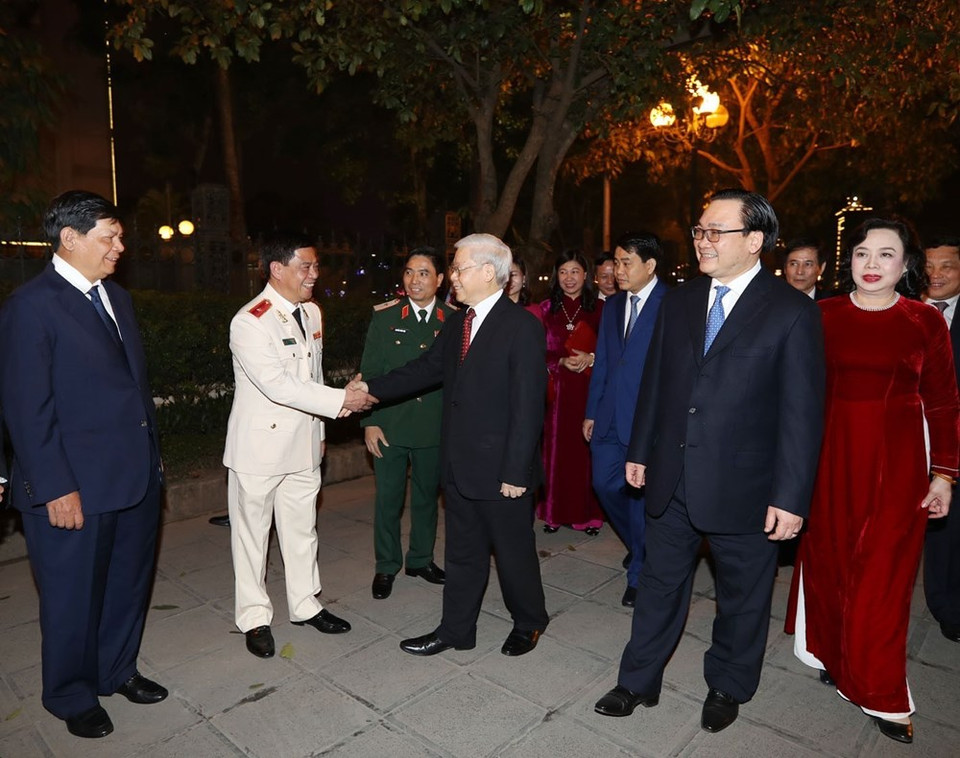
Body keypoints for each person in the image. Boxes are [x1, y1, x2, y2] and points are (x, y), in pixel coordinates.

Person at [594, 188, 825, 734]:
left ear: (755, 240)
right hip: (670, 475)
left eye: (715, 231)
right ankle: (638, 680)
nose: (703, 241)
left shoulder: (791, 311)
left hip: (746, 486)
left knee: (741, 598)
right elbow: (658, 382)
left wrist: (790, 498)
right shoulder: (679, 299)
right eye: (699, 230)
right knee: (657, 583)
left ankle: (728, 684)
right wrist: (640, 451)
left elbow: (802, 414)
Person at [0, 191, 166, 739]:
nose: (121, 247)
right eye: (109, 238)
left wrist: (153, 463)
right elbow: (27, 410)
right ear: (69, 239)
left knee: (126, 585)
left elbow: (133, 390)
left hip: (132, 477)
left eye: (119, 236)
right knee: (71, 598)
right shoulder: (31, 306)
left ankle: (116, 670)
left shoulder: (116, 298)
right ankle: (69, 693)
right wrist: (54, 488)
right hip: (72, 487)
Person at [787, 220, 959, 744]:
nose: (872, 263)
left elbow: (945, 401)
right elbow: (793, 395)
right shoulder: (820, 315)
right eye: (863, 252)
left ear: (905, 265)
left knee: (882, 583)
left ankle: (883, 693)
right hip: (828, 467)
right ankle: (833, 657)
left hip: (898, 473)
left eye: (886, 254)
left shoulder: (924, 321)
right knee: (831, 569)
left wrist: (945, 475)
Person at [351, 233, 549, 657]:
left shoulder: (522, 327)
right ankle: (456, 630)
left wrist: (516, 471)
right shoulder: (459, 321)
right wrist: (370, 390)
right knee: (462, 553)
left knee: (513, 555)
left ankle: (530, 620)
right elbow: (424, 369)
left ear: (486, 271)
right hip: (460, 464)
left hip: (502, 472)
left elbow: (529, 407)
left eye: (457, 269)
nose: (452, 277)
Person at [223, 232, 373, 659]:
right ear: (277, 269)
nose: (314, 274)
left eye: (315, 266)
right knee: (253, 538)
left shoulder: (312, 313)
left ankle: (306, 605)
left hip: (304, 444)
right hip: (259, 450)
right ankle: (254, 618)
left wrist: (321, 432)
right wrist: (342, 402)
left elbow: (312, 378)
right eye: (305, 266)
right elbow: (278, 386)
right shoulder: (250, 320)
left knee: (302, 531)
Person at [360, 247, 455, 599]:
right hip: (390, 424)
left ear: (440, 280)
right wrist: (370, 421)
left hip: (433, 424)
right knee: (388, 499)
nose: (415, 280)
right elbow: (370, 373)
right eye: (409, 273)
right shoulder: (385, 318)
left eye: (424, 273)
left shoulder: (454, 319)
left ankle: (421, 559)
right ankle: (386, 566)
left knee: (427, 498)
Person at [584, 233, 668, 607]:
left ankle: (639, 574)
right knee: (604, 486)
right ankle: (640, 544)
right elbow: (603, 360)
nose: (617, 271)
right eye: (616, 263)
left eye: (626, 263)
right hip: (607, 417)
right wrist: (591, 411)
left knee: (638, 498)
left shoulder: (673, 304)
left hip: (646, 422)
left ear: (649, 266)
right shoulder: (614, 306)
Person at [535, 250, 604, 535]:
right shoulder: (546, 308)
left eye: (575, 271)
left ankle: (588, 514)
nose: (569, 278)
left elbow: (613, 351)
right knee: (555, 452)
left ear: (586, 275)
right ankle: (554, 512)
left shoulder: (601, 308)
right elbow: (537, 352)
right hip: (557, 392)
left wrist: (591, 357)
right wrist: (559, 361)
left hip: (590, 389)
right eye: (563, 272)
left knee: (586, 454)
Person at [922, 233, 960, 644]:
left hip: (951, 439)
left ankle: (948, 607)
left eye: (946, 265)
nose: (936, 274)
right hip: (903, 439)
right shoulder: (905, 310)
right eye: (929, 265)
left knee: (948, 529)